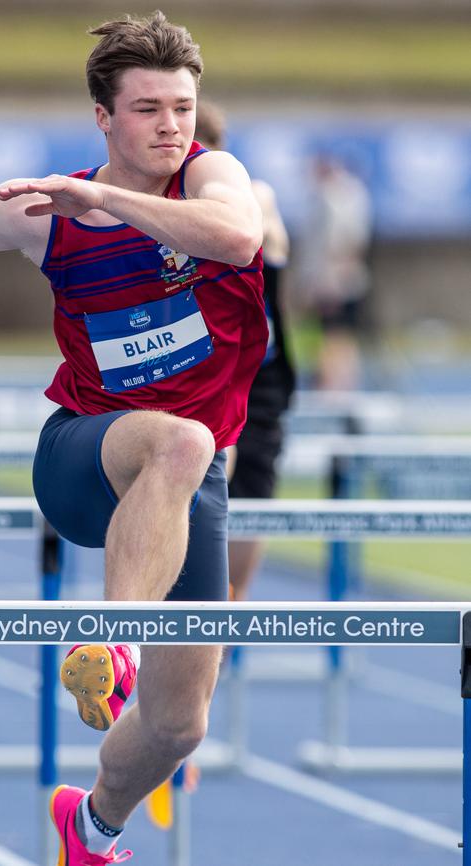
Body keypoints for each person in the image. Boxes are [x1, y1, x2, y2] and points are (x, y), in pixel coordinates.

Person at [0, 12, 266, 865]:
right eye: (148, 109)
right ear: (104, 118)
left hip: (186, 485)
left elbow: (239, 237)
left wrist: (107, 197)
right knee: (182, 441)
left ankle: (94, 824)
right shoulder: (46, 215)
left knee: (181, 724)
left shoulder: (210, 175)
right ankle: (109, 639)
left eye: (182, 106)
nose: (172, 125)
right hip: (84, 457)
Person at [194, 101, 295, 601]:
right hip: (203, 372)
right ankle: (193, 593)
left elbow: (259, 226)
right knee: (210, 459)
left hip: (262, 375)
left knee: (256, 493)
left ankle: (232, 606)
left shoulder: (252, 195)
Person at [295, 154, 373, 390]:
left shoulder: (336, 197)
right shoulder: (347, 195)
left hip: (335, 281)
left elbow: (339, 242)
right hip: (339, 278)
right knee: (337, 335)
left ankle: (336, 387)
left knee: (335, 335)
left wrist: (326, 281)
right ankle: (338, 385)